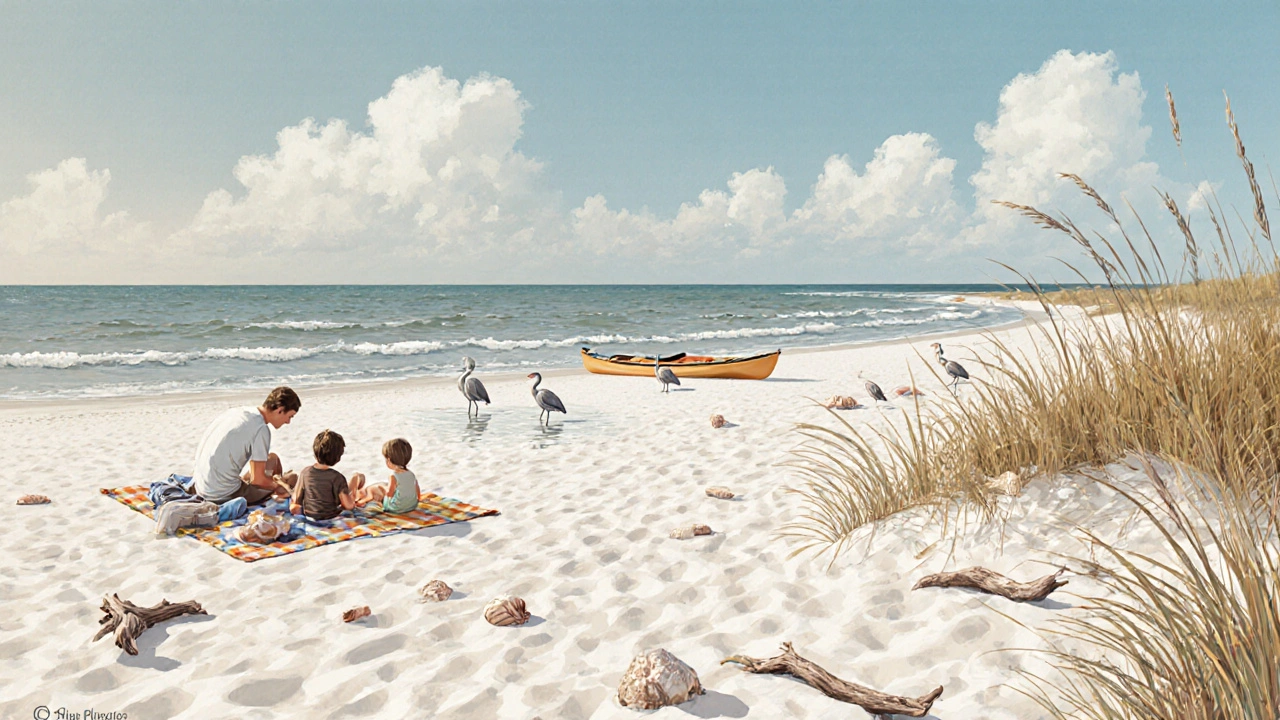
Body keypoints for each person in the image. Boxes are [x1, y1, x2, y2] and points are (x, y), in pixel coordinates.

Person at [192, 386, 300, 506]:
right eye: (289, 416)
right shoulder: (261, 429)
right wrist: (278, 486)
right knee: (278, 488)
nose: (288, 422)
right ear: (280, 410)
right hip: (221, 494)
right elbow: (257, 480)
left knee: (272, 459)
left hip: (201, 486)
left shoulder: (238, 413)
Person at [290, 429, 363, 521]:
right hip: (330, 517)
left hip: (310, 517)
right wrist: (353, 490)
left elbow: (296, 500)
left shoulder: (305, 472)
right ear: (338, 457)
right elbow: (348, 506)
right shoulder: (337, 477)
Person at [354, 438, 420, 513]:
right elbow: (417, 488)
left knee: (376, 487)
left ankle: (365, 499)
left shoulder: (393, 475)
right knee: (384, 486)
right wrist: (417, 500)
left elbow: (389, 492)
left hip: (395, 508)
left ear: (389, 460)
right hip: (412, 505)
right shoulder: (411, 474)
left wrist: (385, 501)